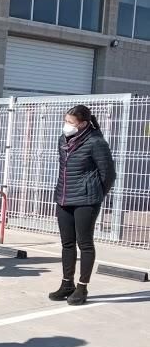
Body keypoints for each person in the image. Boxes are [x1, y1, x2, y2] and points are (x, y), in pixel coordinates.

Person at [49, 104, 115, 306]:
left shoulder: (96, 142)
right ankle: (66, 284)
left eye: (71, 122)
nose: (66, 126)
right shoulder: (64, 140)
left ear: (84, 124)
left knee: (84, 243)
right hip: (64, 197)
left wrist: (95, 194)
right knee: (67, 243)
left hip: (86, 200)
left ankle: (82, 287)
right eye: (66, 121)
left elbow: (109, 174)